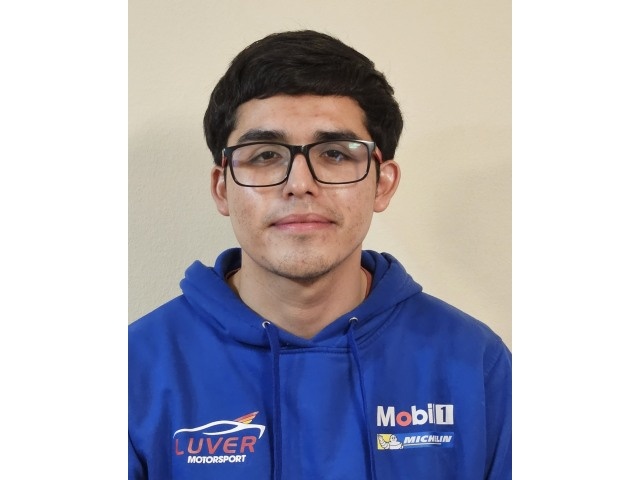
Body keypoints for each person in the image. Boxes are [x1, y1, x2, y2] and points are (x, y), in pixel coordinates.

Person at [128, 30, 512, 480]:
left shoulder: (474, 361)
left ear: (383, 184)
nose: (300, 184)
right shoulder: (133, 369)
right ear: (222, 188)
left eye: (334, 153)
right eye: (265, 155)